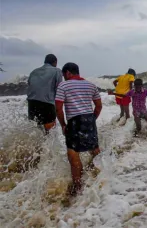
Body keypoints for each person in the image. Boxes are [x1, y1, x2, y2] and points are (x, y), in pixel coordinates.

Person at [55, 63, 102, 195]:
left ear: (68, 73)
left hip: (74, 121)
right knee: (94, 149)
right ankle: (99, 178)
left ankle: (78, 187)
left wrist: (63, 125)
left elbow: (58, 108)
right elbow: (98, 106)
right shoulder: (91, 85)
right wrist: (92, 119)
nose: (64, 78)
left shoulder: (63, 85)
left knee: (73, 153)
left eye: (65, 75)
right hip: (89, 119)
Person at [27, 54, 63, 132]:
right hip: (46, 103)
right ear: (55, 62)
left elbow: (29, 84)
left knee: (35, 131)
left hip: (31, 103)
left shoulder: (34, 71)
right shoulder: (57, 71)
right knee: (49, 132)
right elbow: (59, 89)